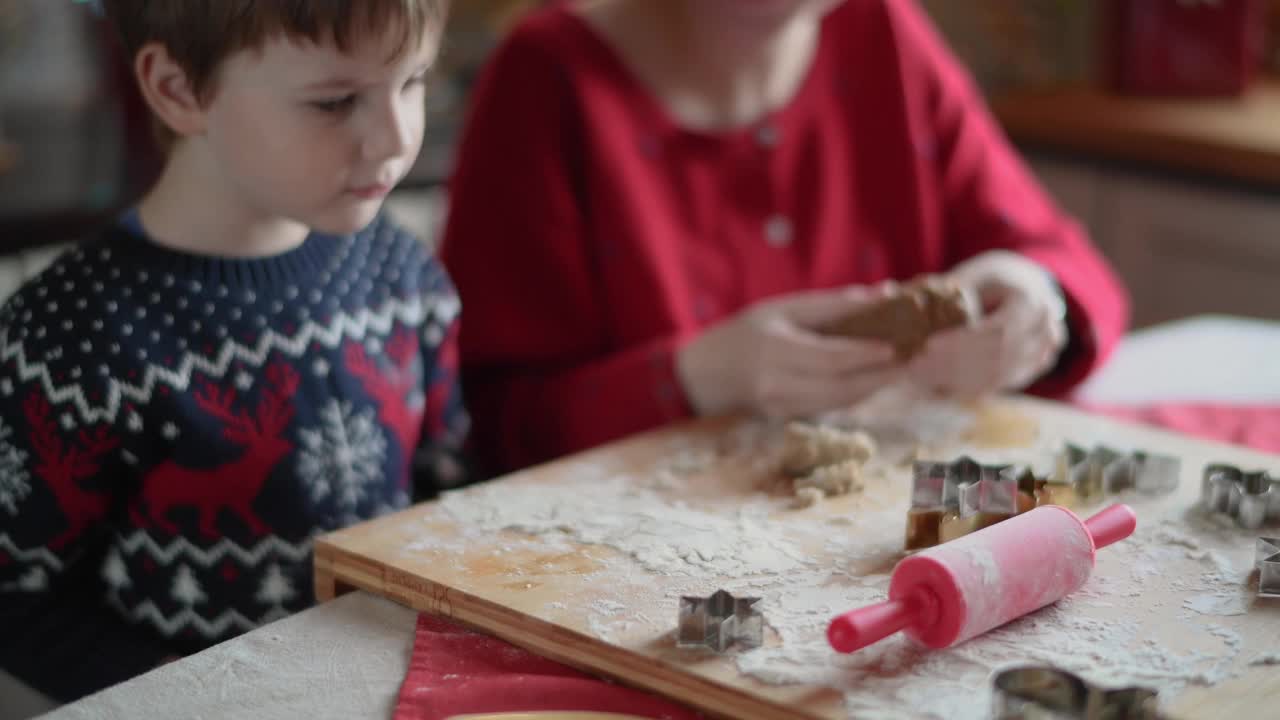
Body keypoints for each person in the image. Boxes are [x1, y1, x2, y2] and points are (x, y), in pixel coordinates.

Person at [440, 0, 1129, 475]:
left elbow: (1069, 267)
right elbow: (490, 427)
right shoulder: (548, 77)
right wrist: (698, 377)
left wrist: (1033, 297)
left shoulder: (883, 30)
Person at [0, 0, 466, 702]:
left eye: (414, 81)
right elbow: (15, 601)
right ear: (179, 88)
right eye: (335, 102)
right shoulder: (68, 338)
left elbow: (451, 489)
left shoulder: (404, 273)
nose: (394, 139)